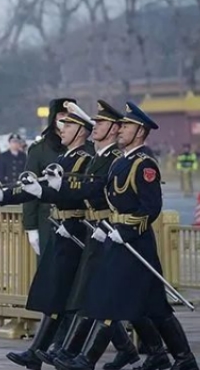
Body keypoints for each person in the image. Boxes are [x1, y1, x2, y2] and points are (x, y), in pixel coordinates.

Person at [54, 102, 198, 370]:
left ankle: (87, 360)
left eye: (127, 126)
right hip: (116, 238)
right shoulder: (122, 161)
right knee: (153, 306)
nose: (121, 130)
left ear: (141, 132)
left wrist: (127, 229)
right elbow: (101, 189)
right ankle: (177, 357)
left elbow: (150, 207)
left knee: (113, 298)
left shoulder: (144, 163)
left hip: (135, 243)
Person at [32, 101, 141, 370]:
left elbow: (99, 191)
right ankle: (74, 352)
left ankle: (75, 353)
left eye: (102, 124)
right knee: (95, 295)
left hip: (112, 233)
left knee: (116, 297)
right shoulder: (97, 158)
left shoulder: (117, 160)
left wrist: (123, 228)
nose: (96, 128)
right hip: (96, 233)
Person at [0, 101, 93, 370]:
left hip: (79, 231)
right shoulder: (65, 156)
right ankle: (40, 352)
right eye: (62, 122)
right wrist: (4, 196)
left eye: (67, 124)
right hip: (61, 231)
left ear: (80, 130)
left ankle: (67, 350)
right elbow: (39, 188)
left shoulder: (87, 158)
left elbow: (79, 192)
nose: (62, 128)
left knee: (82, 299)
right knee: (58, 295)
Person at [22, 98, 71, 259]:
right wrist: (31, 227)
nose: (65, 119)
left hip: (78, 220)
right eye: (62, 114)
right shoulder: (39, 150)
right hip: (48, 220)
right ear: (53, 118)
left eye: (69, 115)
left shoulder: (87, 148)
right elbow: (29, 186)